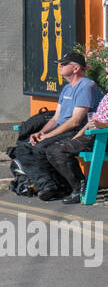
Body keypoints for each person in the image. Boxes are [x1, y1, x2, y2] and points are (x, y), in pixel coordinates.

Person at [44, 59, 108, 205]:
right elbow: (93, 120)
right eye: (106, 74)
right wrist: (79, 134)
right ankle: (79, 186)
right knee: (52, 150)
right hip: (95, 135)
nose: (107, 77)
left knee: (58, 151)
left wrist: (103, 125)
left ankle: (80, 188)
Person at [13, 50, 101, 199]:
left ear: (76, 68)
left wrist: (47, 136)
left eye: (64, 64)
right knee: (24, 146)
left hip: (77, 131)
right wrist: (40, 133)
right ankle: (49, 185)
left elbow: (75, 121)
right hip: (62, 129)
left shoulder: (86, 86)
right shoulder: (66, 88)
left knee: (41, 147)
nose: (60, 66)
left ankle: (65, 186)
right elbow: (55, 118)